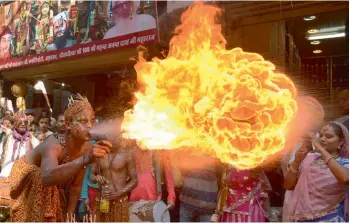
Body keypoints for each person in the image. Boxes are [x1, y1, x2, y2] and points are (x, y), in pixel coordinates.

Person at [8, 94, 111, 222]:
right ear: (68, 124)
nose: (90, 126)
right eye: (83, 121)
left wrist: (69, 217)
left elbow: (76, 186)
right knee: (41, 179)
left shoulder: (86, 147)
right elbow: (48, 177)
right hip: (26, 178)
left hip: (51, 181)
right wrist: (84, 160)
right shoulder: (53, 145)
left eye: (93, 120)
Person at [284, 121, 349, 222]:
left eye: (328, 136)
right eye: (321, 135)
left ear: (341, 142)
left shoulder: (345, 164)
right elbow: (288, 186)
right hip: (302, 219)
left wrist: (319, 148)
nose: (322, 139)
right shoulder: (309, 159)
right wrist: (296, 162)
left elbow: (345, 179)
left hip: (330, 218)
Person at [91, 117, 137, 222]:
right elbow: (91, 176)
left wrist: (118, 193)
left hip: (120, 201)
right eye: (110, 134)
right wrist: (97, 178)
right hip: (103, 200)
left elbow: (135, 180)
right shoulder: (100, 153)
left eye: (116, 134)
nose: (114, 137)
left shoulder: (127, 155)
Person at [129, 147, 176, 221]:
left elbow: (169, 175)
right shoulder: (134, 150)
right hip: (134, 200)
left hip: (152, 201)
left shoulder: (160, 150)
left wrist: (171, 197)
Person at [172, 152, 220, 222]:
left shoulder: (218, 150)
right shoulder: (187, 149)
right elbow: (178, 177)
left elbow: (222, 180)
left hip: (207, 207)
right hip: (187, 204)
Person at [0, 112, 38, 178]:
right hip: (6, 176)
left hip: (25, 177)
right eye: (20, 122)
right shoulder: (7, 139)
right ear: (15, 124)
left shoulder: (33, 140)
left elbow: (38, 159)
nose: (23, 124)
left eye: (25, 122)